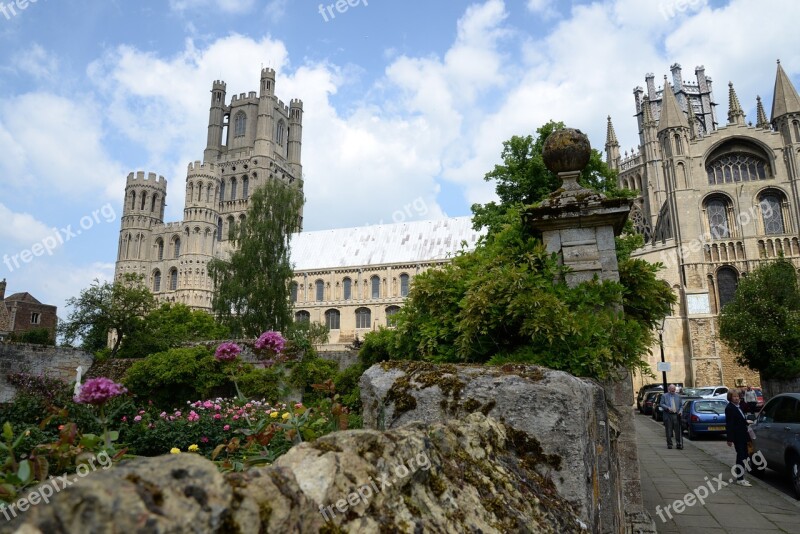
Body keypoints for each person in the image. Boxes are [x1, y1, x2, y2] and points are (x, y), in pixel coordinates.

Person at [725, 390, 752, 487]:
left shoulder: (739, 406)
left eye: (738, 396)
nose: (737, 398)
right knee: (741, 455)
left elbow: (742, 418)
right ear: (730, 398)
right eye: (734, 397)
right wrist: (729, 439)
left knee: (745, 455)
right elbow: (730, 424)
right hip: (737, 436)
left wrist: (747, 422)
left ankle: (740, 473)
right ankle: (740, 478)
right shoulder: (730, 408)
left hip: (743, 435)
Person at [660, 384, 683, 449]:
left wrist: (681, 411)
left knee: (677, 430)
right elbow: (661, 404)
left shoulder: (678, 396)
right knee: (669, 430)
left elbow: (681, 406)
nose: (673, 391)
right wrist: (667, 408)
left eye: (674, 389)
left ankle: (678, 443)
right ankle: (669, 444)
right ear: (669, 389)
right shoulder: (664, 396)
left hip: (676, 415)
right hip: (668, 415)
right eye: (672, 390)